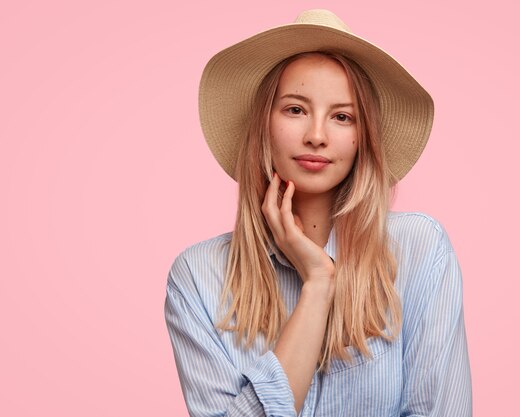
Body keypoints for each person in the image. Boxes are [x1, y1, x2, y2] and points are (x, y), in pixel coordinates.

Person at [164, 9, 472, 417]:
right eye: (295, 109)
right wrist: (317, 285)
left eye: (342, 117)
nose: (316, 135)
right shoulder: (199, 278)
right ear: (263, 125)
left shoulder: (418, 249)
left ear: (363, 139)